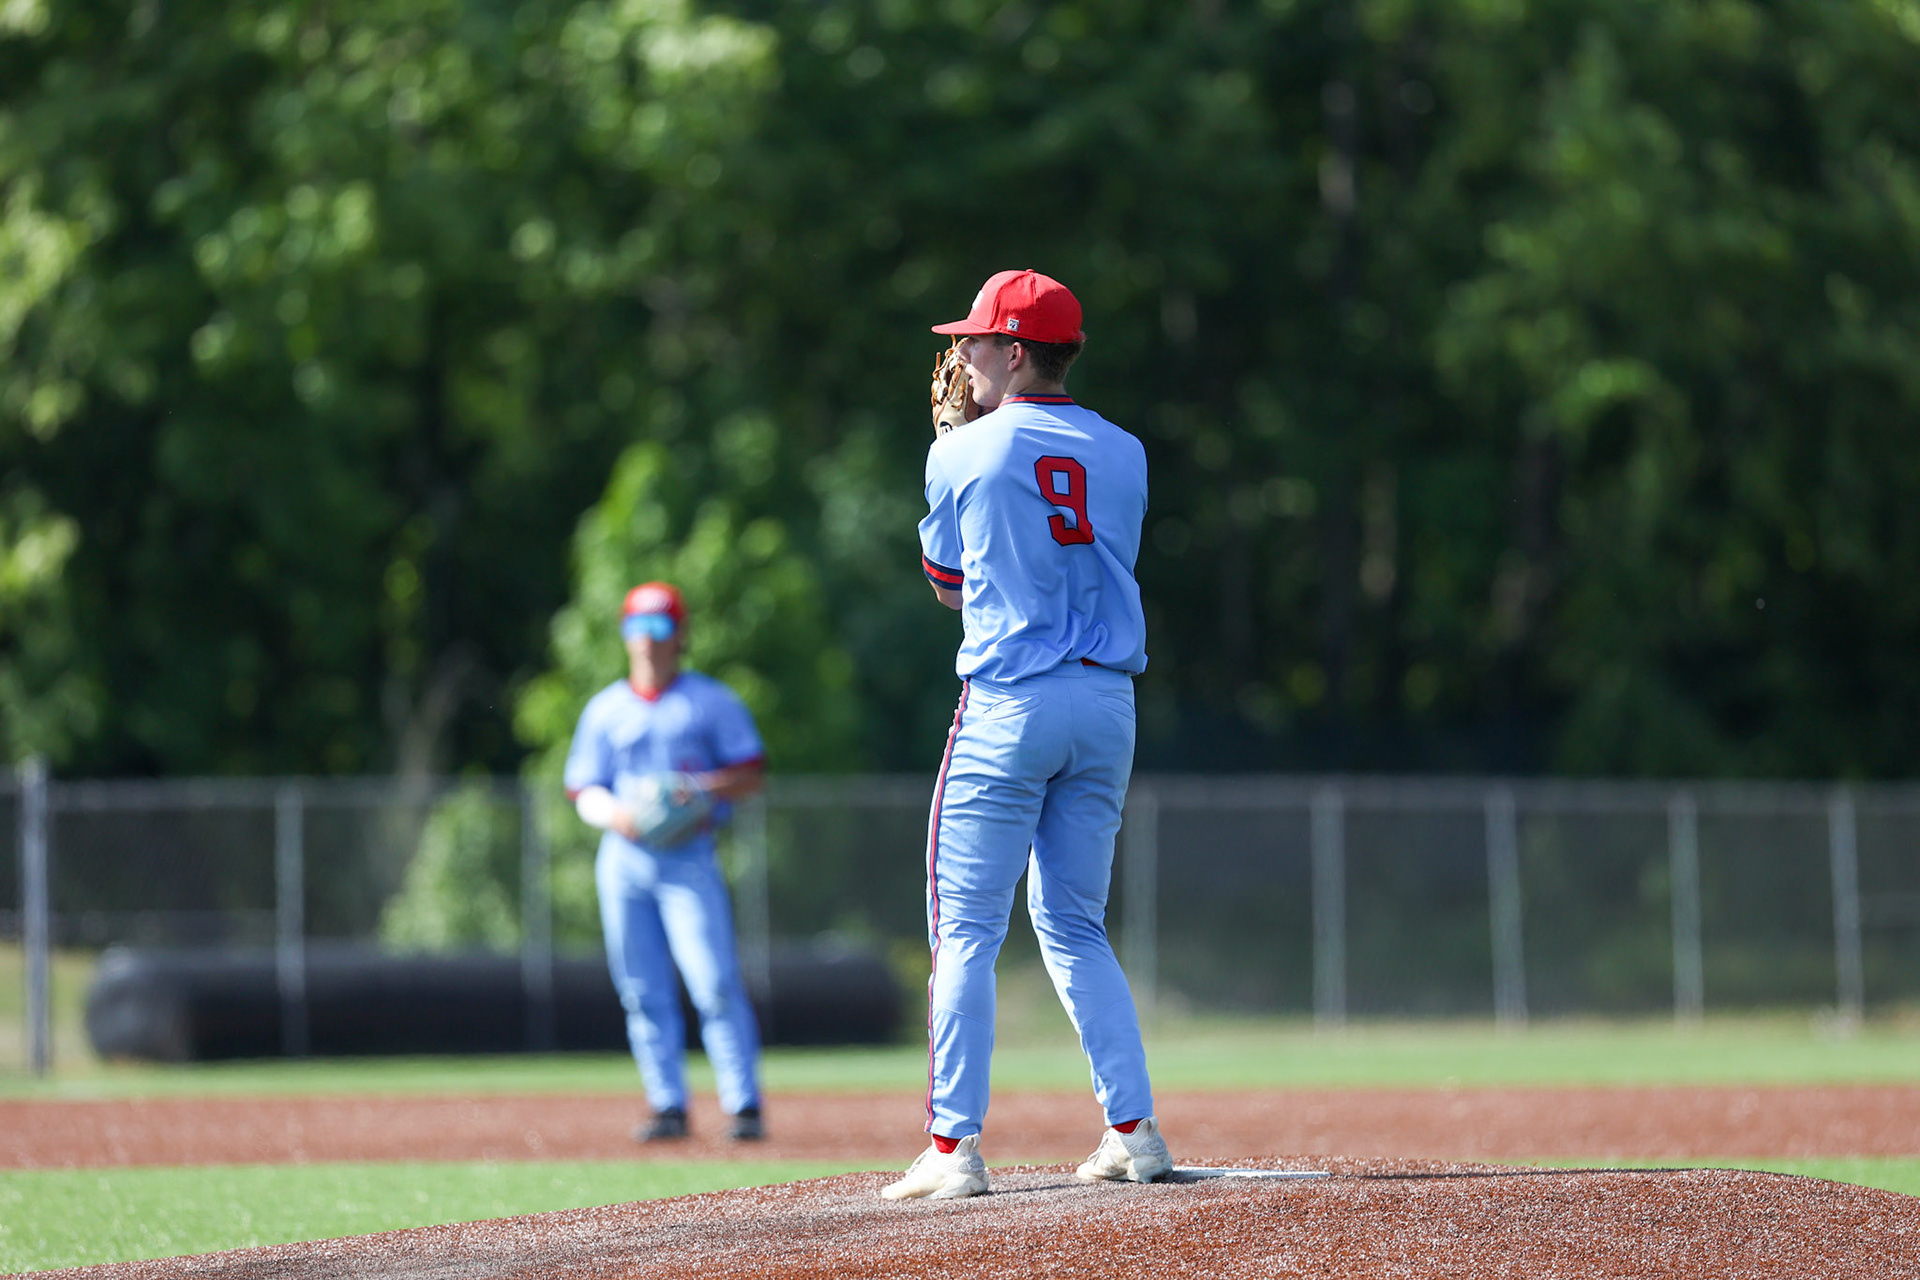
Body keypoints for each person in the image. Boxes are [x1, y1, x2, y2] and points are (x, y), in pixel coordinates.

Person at [882, 269, 1173, 1200]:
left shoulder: (962, 452)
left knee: (964, 930)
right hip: (1107, 705)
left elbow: (947, 588)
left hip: (1010, 700)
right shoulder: (1126, 451)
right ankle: (1134, 1129)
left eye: (973, 340)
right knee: (1076, 924)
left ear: (1014, 351)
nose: (959, 355)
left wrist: (953, 455)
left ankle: (951, 1146)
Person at [564, 580, 768, 1143]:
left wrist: (697, 788)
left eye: (658, 628)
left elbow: (751, 772)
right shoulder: (606, 708)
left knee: (714, 980)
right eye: (636, 628)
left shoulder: (709, 701)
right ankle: (667, 1104)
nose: (647, 641)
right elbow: (582, 786)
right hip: (625, 857)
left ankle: (743, 1104)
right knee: (640, 987)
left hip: (688, 856)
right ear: (625, 635)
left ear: (680, 635)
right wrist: (616, 814)